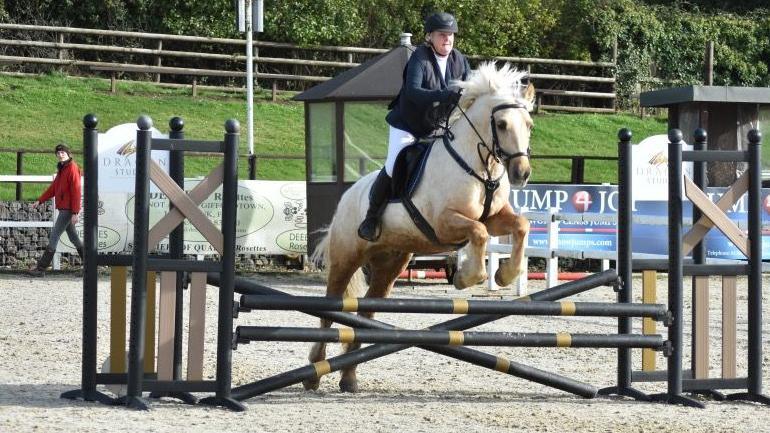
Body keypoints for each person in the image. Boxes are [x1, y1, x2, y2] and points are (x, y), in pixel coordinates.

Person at [357, 11, 471, 242]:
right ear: (430, 36)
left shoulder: (459, 60)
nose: (447, 39)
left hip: (437, 126)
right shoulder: (420, 57)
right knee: (392, 165)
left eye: (450, 35)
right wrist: (443, 94)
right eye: (442, 34)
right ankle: (371, 218)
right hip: (408, 124)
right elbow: (413, 92)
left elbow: (470, 87)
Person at [28, 143, 83, 276]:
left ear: (68, 153)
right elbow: (53, 188)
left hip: (68, 209)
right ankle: (90, 267)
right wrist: (39, 200)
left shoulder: (72, 168)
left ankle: (41, 269)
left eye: (62, 152)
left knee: (54, 236)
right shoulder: (63, 169)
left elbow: (76, 191)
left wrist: (75, 212)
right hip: (65, 208)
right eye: (58, 153)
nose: (60, 154)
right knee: (74, 238)